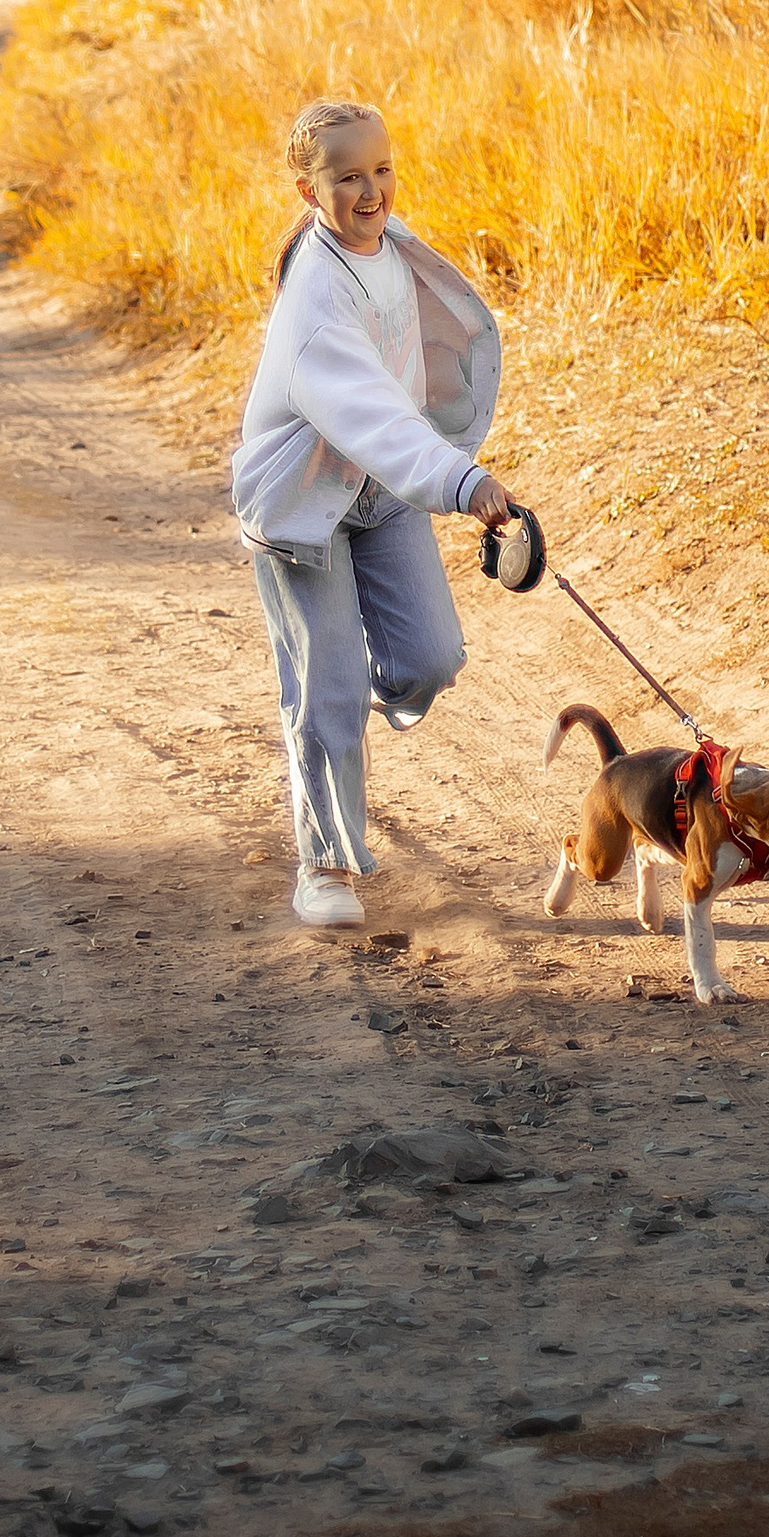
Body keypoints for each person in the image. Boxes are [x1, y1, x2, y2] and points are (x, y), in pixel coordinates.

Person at [231, 98, 514, 928]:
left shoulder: (390, 248)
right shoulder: (317, 295)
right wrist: (458, 480)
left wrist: (440, 459)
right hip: (301, 503)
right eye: (346, 176)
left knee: (430, 658)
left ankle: (352, 700)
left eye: (382, 169)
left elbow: (417, 367)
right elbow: (367, 410)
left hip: (381, 489)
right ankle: (324, 866)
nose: (370, 189)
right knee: (327, 684)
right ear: (306, 187)